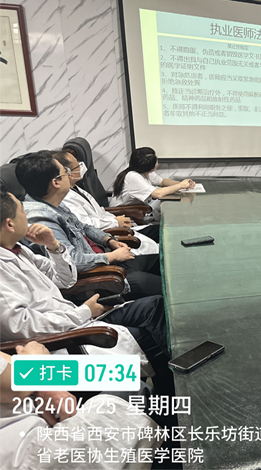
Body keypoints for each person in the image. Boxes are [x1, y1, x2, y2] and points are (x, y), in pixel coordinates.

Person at [0, 187, 174, 396]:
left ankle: (176, 389)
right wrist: (84, 312)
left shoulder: (18, 251)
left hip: (73, 320)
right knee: (148, 345)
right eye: (22, 211)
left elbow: (65, 280)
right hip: (60, 343)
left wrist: (53, 246)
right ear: (10, 224)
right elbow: (22, 326)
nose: (26, 215)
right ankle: (172, 402)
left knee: (154, 306)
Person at [15, 151, 162, 300]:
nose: (70, 176)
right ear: (56, 182)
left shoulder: (52, 202)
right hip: (100, 277)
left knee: (162, 262)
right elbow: (71, 261)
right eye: (66, 172)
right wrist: (111, 256)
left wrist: (108, 240)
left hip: (103, 259)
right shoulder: (41, 219)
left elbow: (83, 227)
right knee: (165, 287)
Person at [1, 342, 162, 469]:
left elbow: (16, 370)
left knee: (122, 370)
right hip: (27, 451)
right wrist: (39, 366)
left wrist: (39, 380)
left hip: (32, 400)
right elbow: (14, 383)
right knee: (134, 389)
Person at [54, 150, 159, 255]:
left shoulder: (75, 189)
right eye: (77, 165)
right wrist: (115, 222)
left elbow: (98, 212)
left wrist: (118, 220)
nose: (81, 166)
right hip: (111, 235)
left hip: (115, 228)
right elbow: (85, 225)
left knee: (159, 233)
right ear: (68, 174)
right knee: (157, 247)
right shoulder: (64, 198)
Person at [110, 147, 195, 223]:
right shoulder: (133, 177)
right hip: (126, 217)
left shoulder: (141, 169)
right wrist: (180, 185)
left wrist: (185, 184)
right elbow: (158, 193)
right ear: (152, 168)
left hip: (137, 210)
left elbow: (162, 182)